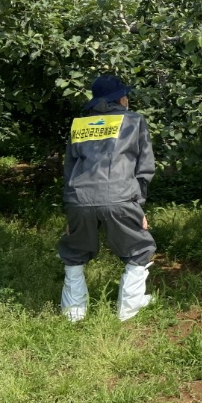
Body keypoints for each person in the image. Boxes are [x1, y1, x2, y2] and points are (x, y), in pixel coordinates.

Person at [59, 74, 156, 322]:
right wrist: (138, 207)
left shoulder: (79, 124)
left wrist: (71, 208)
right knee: (138, 248)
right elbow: (143, 169)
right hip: (121, 197)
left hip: (78, 199)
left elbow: (70, 169)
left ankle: (74, 313)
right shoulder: (134, 122)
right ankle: (129, 309)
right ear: (121, 98)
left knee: (74, 252)